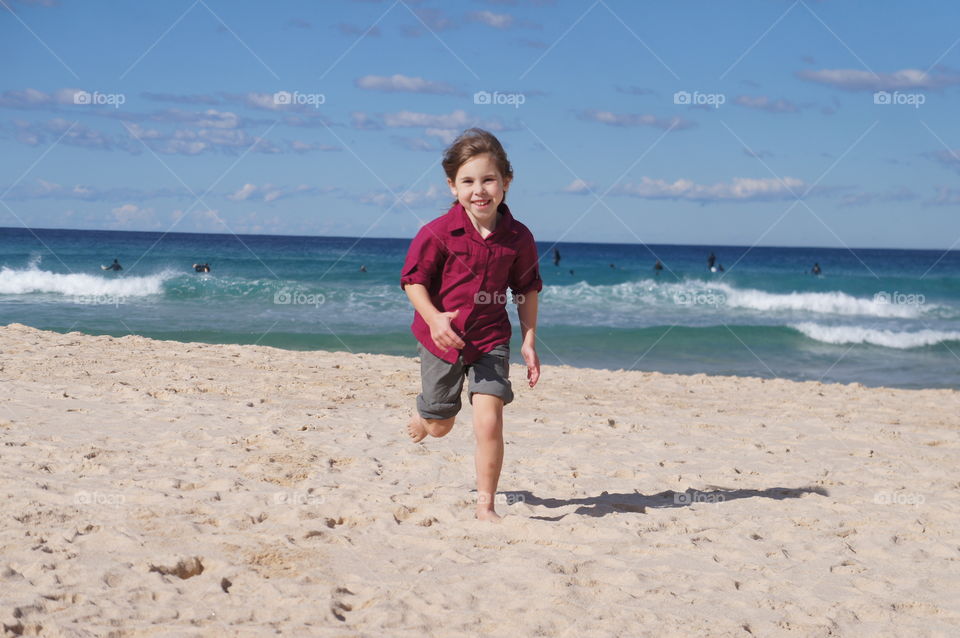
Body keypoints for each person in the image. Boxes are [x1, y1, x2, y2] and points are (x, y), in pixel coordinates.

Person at [401, 128, 542, 523]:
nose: (479, 190)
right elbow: (413, 281)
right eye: (468, 181)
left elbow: (526, 289)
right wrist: (433, 318)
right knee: (441, 426)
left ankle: (486, 506)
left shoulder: (518, 237)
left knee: (489, 420)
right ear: (452, 185)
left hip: (490, 339)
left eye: (488, 179)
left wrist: (530, 339)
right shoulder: (438, 233)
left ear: (506, 182)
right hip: (441, 340)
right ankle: (426, 415)